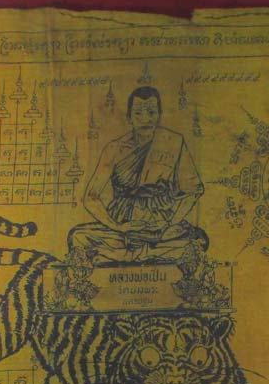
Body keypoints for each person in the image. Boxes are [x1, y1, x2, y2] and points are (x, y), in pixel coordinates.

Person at [68, 86, 208, 264]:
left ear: (159, 115)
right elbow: (91, 197)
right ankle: (148, 254)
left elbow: (193, 190)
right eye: (138, 113)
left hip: (161, 225)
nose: (145, 119)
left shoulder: (173, 142)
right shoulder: (114, 149)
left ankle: (122, 256)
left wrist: (168, 225)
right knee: (78, 237)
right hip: (123, 225)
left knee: (199, 240)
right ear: (129, 117)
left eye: (151, 112)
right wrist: (119, 227)